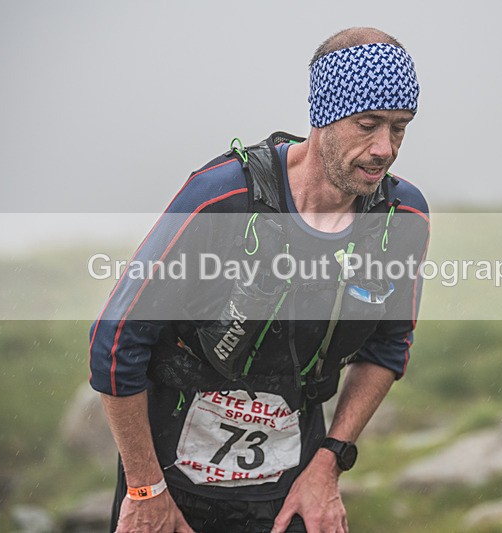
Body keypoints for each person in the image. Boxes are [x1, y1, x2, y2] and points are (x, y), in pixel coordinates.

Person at [89, 27, 429, 533]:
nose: (385, 148)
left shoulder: (402, 217)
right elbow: (117, 341)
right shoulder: (221, 198)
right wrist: (144, 489)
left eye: (399, 128)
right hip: (169, 482)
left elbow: (388, 346)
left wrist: (328, 464)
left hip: (291, 485)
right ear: (323, 117)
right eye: (368, 124)